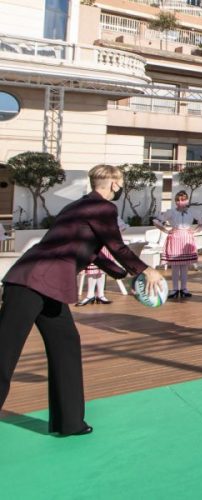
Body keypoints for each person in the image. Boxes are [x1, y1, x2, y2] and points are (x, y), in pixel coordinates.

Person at [0, 164, 163, 436]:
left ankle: (70, 423)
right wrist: (147, 270)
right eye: (120, 183)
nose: (120, 188)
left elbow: (93, 251)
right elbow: (116, 245)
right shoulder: (104, 208)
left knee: (67, 345)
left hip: (46, 284)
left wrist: (123, 276)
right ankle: (68, 421)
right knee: (4, 353)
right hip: (31, 282)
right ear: (113, 184)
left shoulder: (77, 206)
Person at [153, 190, 202, 299]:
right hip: (175, 238)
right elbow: (157, 222)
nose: (180, 202)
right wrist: (166, 231)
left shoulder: (192, 212)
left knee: (185, 266)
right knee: (175, 266)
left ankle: (184, 288)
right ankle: (175, 289)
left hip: (187, 238)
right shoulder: (171, 212)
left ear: (187, 200)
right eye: (178, 200)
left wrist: (195, 231)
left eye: (183, 199)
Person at [76, 217, 129, 306]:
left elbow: (122, 227)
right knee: (92, 271)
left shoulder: (111, 215)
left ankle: (100, 295)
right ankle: (90, 295)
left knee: (102, 271)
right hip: (93, 245)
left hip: (105, 245)